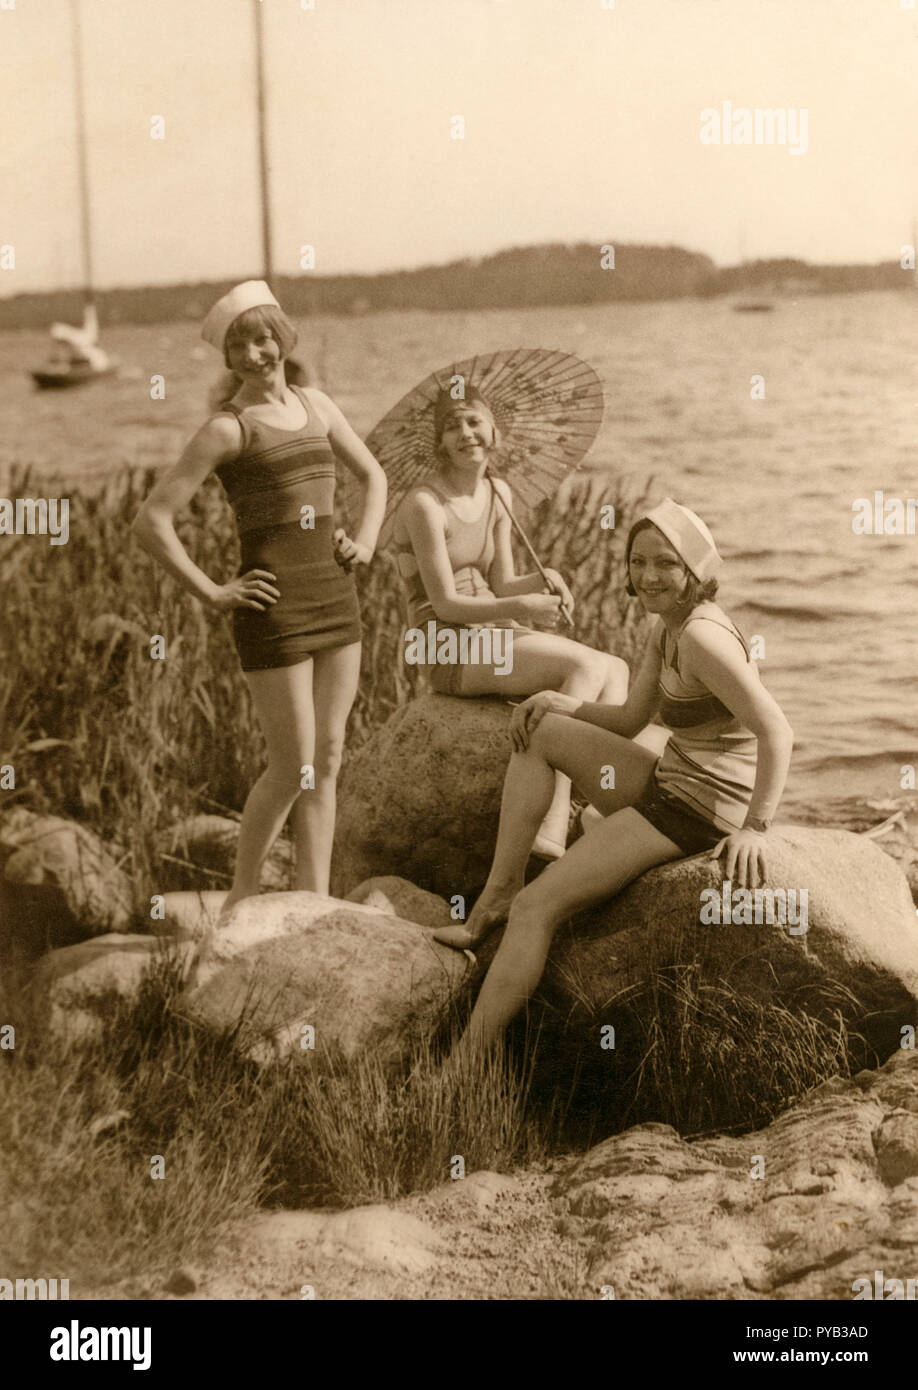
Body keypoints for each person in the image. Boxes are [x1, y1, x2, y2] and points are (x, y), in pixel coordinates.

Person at [439, 499, 794, 1056]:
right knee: (540, 730)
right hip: (673, 777)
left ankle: (465, 1064)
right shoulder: (668, 628)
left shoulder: (702, 638)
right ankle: (497, 894)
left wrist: (756, 829)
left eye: (666, 563)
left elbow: (777, 731)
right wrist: (560, 701)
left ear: (695, 571)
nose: (648, 576)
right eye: (638, 561)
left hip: (697, 808)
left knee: (538, 908)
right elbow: (630, 719)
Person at [132, 280, 387, 912]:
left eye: (263, 338)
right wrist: (214, 592)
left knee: (328, 758)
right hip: (271, 611)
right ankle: (240, 900)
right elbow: (151, 521)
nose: (253, 354)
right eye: (238, 345)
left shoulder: (317, 405)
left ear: (283, 338)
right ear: (226, 357)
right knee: (293, 762)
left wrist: (365, 542)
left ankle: (314, 899)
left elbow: (374, 475)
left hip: (336, 599)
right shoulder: (227, 429)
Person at [391, 384, 631, 858]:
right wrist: (524, 609)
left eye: (474, 421)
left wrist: (546, 579)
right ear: (439, 442)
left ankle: (603, 799)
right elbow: (445, 605)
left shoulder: (497, 493)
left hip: (491, 633)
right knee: (583, 668)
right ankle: (553, 819)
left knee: (616, 668)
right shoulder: (424, 505)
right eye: (451, 426)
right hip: (442, 643)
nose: (465, 433)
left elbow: (501, 583)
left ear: (494, 430)